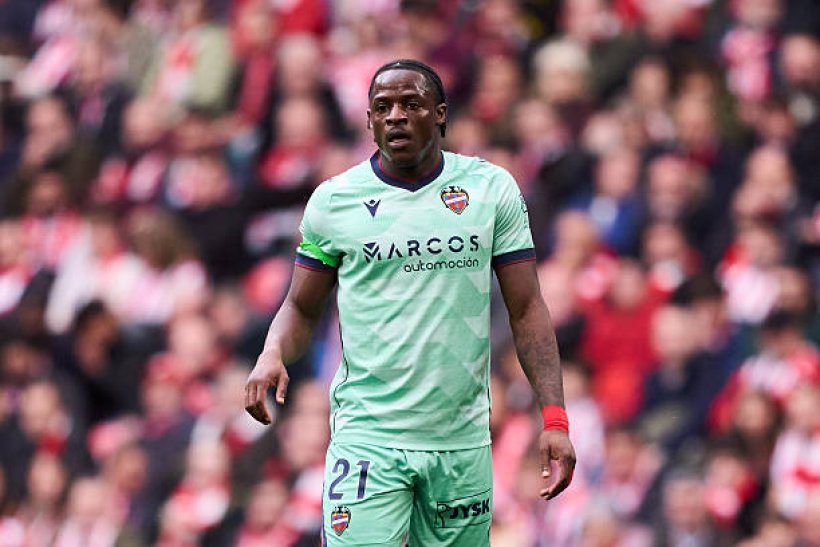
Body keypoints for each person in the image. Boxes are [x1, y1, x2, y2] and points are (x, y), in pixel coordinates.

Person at [244, 59, 576, 546]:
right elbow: (300, 307)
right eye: (383, 107)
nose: (395, 115)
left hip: (460, 441)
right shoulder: (335, 202)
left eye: (411, 104)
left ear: (440, 114)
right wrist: (272, 351)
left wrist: (554, 418)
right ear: (369, 121)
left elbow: (526, 308)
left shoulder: (490, 190)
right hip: (368, 438)